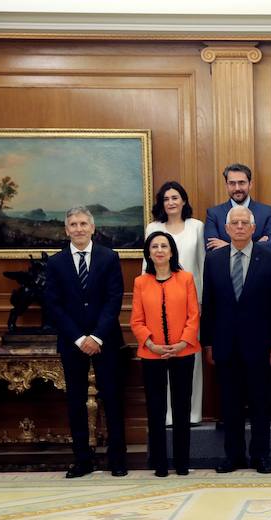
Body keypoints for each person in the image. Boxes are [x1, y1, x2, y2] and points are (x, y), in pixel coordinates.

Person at [201, 205, 271, 474]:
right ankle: (233, 456)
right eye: (234, 223)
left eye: (244, 223)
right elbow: (210, 306)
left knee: (261, 404)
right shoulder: (213, 260)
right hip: (225, 345)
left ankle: (261, 456)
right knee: (230, 404)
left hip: (261, 346)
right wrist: (209, 343)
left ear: (253, 228)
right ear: (226, 229)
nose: (239, 227)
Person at [44, 206, 127, 478]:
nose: (78, 228)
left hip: (106, 340)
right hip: (72, 342)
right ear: (66, 229)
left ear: (92, 228)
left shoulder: (109, 257)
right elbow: (54, 306)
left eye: (83, 224)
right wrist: (80, 338)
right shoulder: (56, 263)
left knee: (112, 399)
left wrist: (97, 336)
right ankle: (82, 461)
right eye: (73, 224)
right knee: (76, 402)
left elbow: (114, 299)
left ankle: (117, 460)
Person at [130, 232, 200, 477]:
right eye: (154, 246)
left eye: (164, 246)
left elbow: (194, 315)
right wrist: (150, 344)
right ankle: (160, 464)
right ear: (148, 253)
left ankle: (182, 463)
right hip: (152, 355)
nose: (159, 250)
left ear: (172, 252)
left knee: (181, 408)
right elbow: (136, 320)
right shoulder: (141, 282)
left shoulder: (186, 278)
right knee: (156, 409)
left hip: (184, 352)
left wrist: (182, 343)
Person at [144, 181, 205, 425]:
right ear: (161, 203)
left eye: (175, 197)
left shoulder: (197, 227)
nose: (171, 202)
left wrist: (202, 301)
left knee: (191, 357)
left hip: (191, 303)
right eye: (166, 198)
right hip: (158, 303)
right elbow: (146, 268)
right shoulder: (153, 228)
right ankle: (167, 415)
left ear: (183, 200)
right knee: (162, 357)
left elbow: (202, 264)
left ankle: (191, 413)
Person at [204, 163, 271, 251]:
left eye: (241, 183)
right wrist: (257, 245)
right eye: (232, 183)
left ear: (250, 184)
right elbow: (212, 248)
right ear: (226, 185)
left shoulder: (267, 212)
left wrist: (227, 246)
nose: (237, 188)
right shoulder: (214, 214)